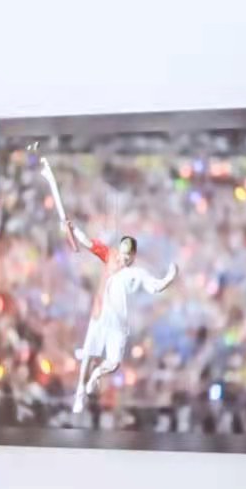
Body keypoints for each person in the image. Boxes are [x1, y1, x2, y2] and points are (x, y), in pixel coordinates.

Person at [37, 151, 176, 413]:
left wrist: (169, 277)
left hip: (118, 325)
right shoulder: (109, 255)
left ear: (133, 257)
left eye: (127, 256)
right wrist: (73, 229)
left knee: (112, 363)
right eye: (122, 254)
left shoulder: (136, 273)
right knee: (89, 355)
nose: (123, 258)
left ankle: (95, 377)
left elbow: (156, 286)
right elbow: (88, 243)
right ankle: (80, 392)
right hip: (99, 315)